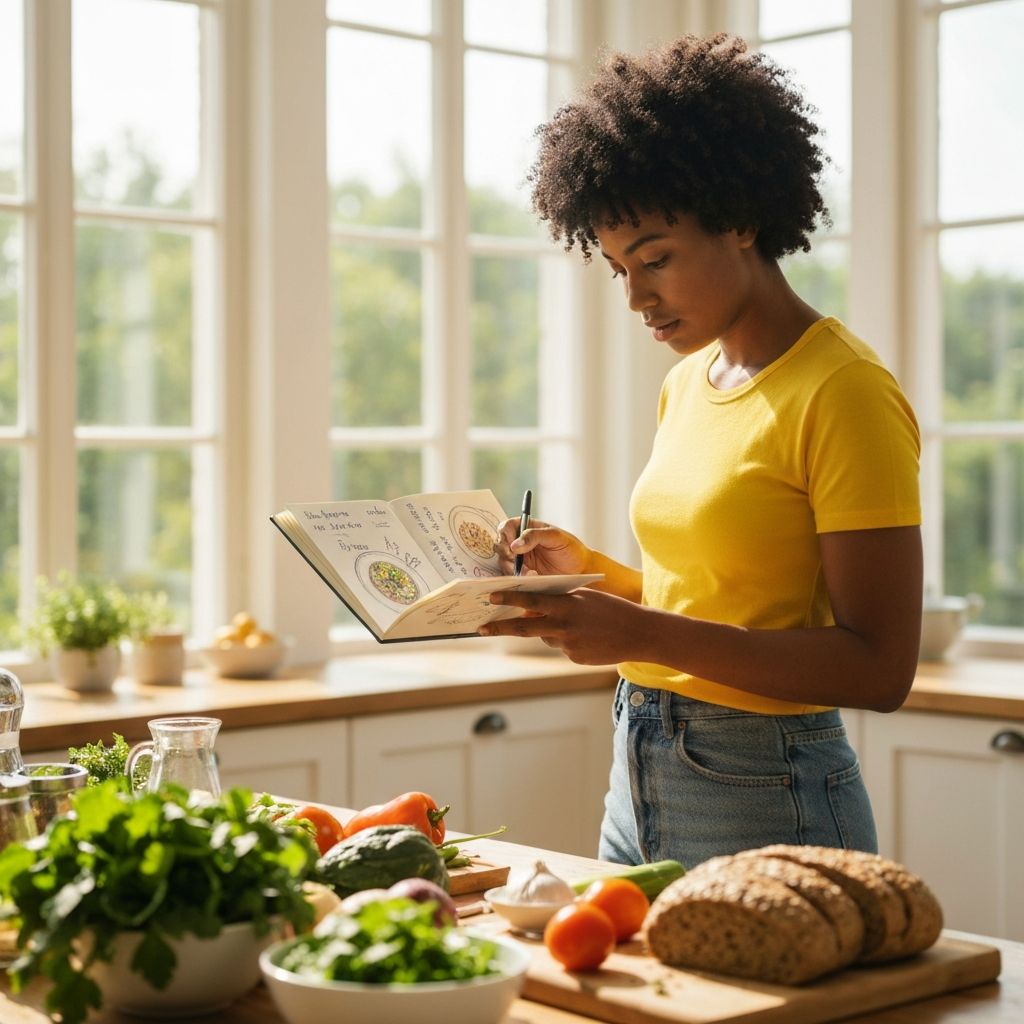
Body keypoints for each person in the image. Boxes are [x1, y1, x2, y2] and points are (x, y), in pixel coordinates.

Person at [479, 34, 923, 871]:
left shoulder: (844, 390)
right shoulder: (691, 382)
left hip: (766, 786)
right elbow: (715, 604)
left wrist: (638, 630)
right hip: (637, 768)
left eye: (656, 259)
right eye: (617, 270)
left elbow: (879, 667)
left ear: (740, 215)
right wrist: (595, 576)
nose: (638, 296)